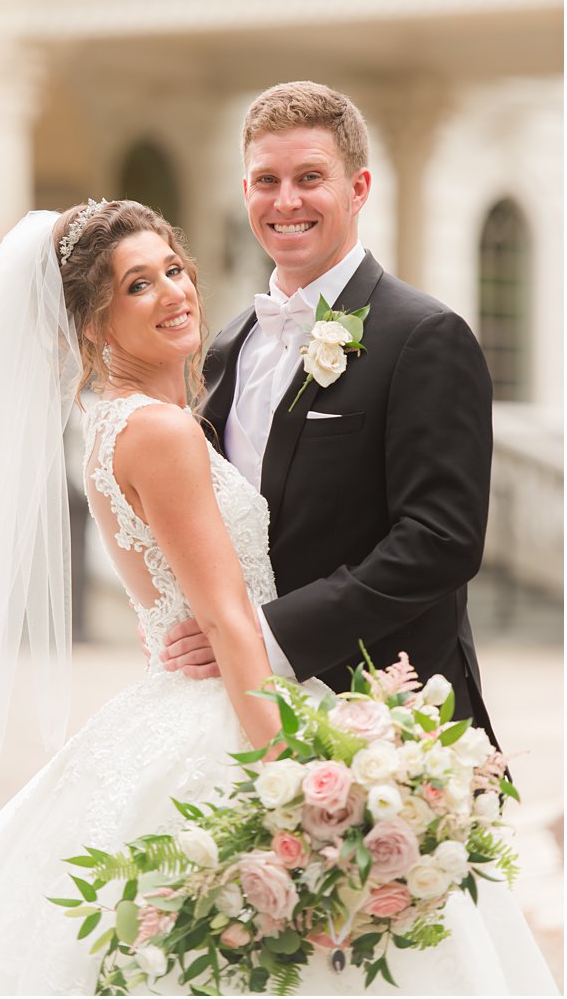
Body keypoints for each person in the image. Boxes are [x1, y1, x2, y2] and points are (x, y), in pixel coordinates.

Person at [0, 202, 555, 994]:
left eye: (172, 269)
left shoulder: (134, 420)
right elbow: (227, 617)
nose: (172, 293)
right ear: (92, 324)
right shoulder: (158, 433)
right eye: (137, 285)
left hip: (188, 696)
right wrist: (298, 789)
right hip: (235, 708)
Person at [164, 81, 496, 745]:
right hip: (248, 712)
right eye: (266, 180)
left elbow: (440, 540)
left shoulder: (425, 334)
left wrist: (266, 635)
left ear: (359, 188)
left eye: (310, 177)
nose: (285, 201)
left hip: (394, 717)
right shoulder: (229, 346)